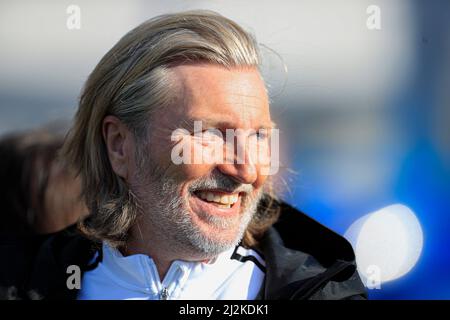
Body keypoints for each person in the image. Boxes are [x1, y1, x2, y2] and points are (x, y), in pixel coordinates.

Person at [0, 10, 367, 300]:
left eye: (258, 135)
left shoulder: (320, 287)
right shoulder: (24, 281)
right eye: (209, 133)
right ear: (119, 145)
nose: (245, 169)